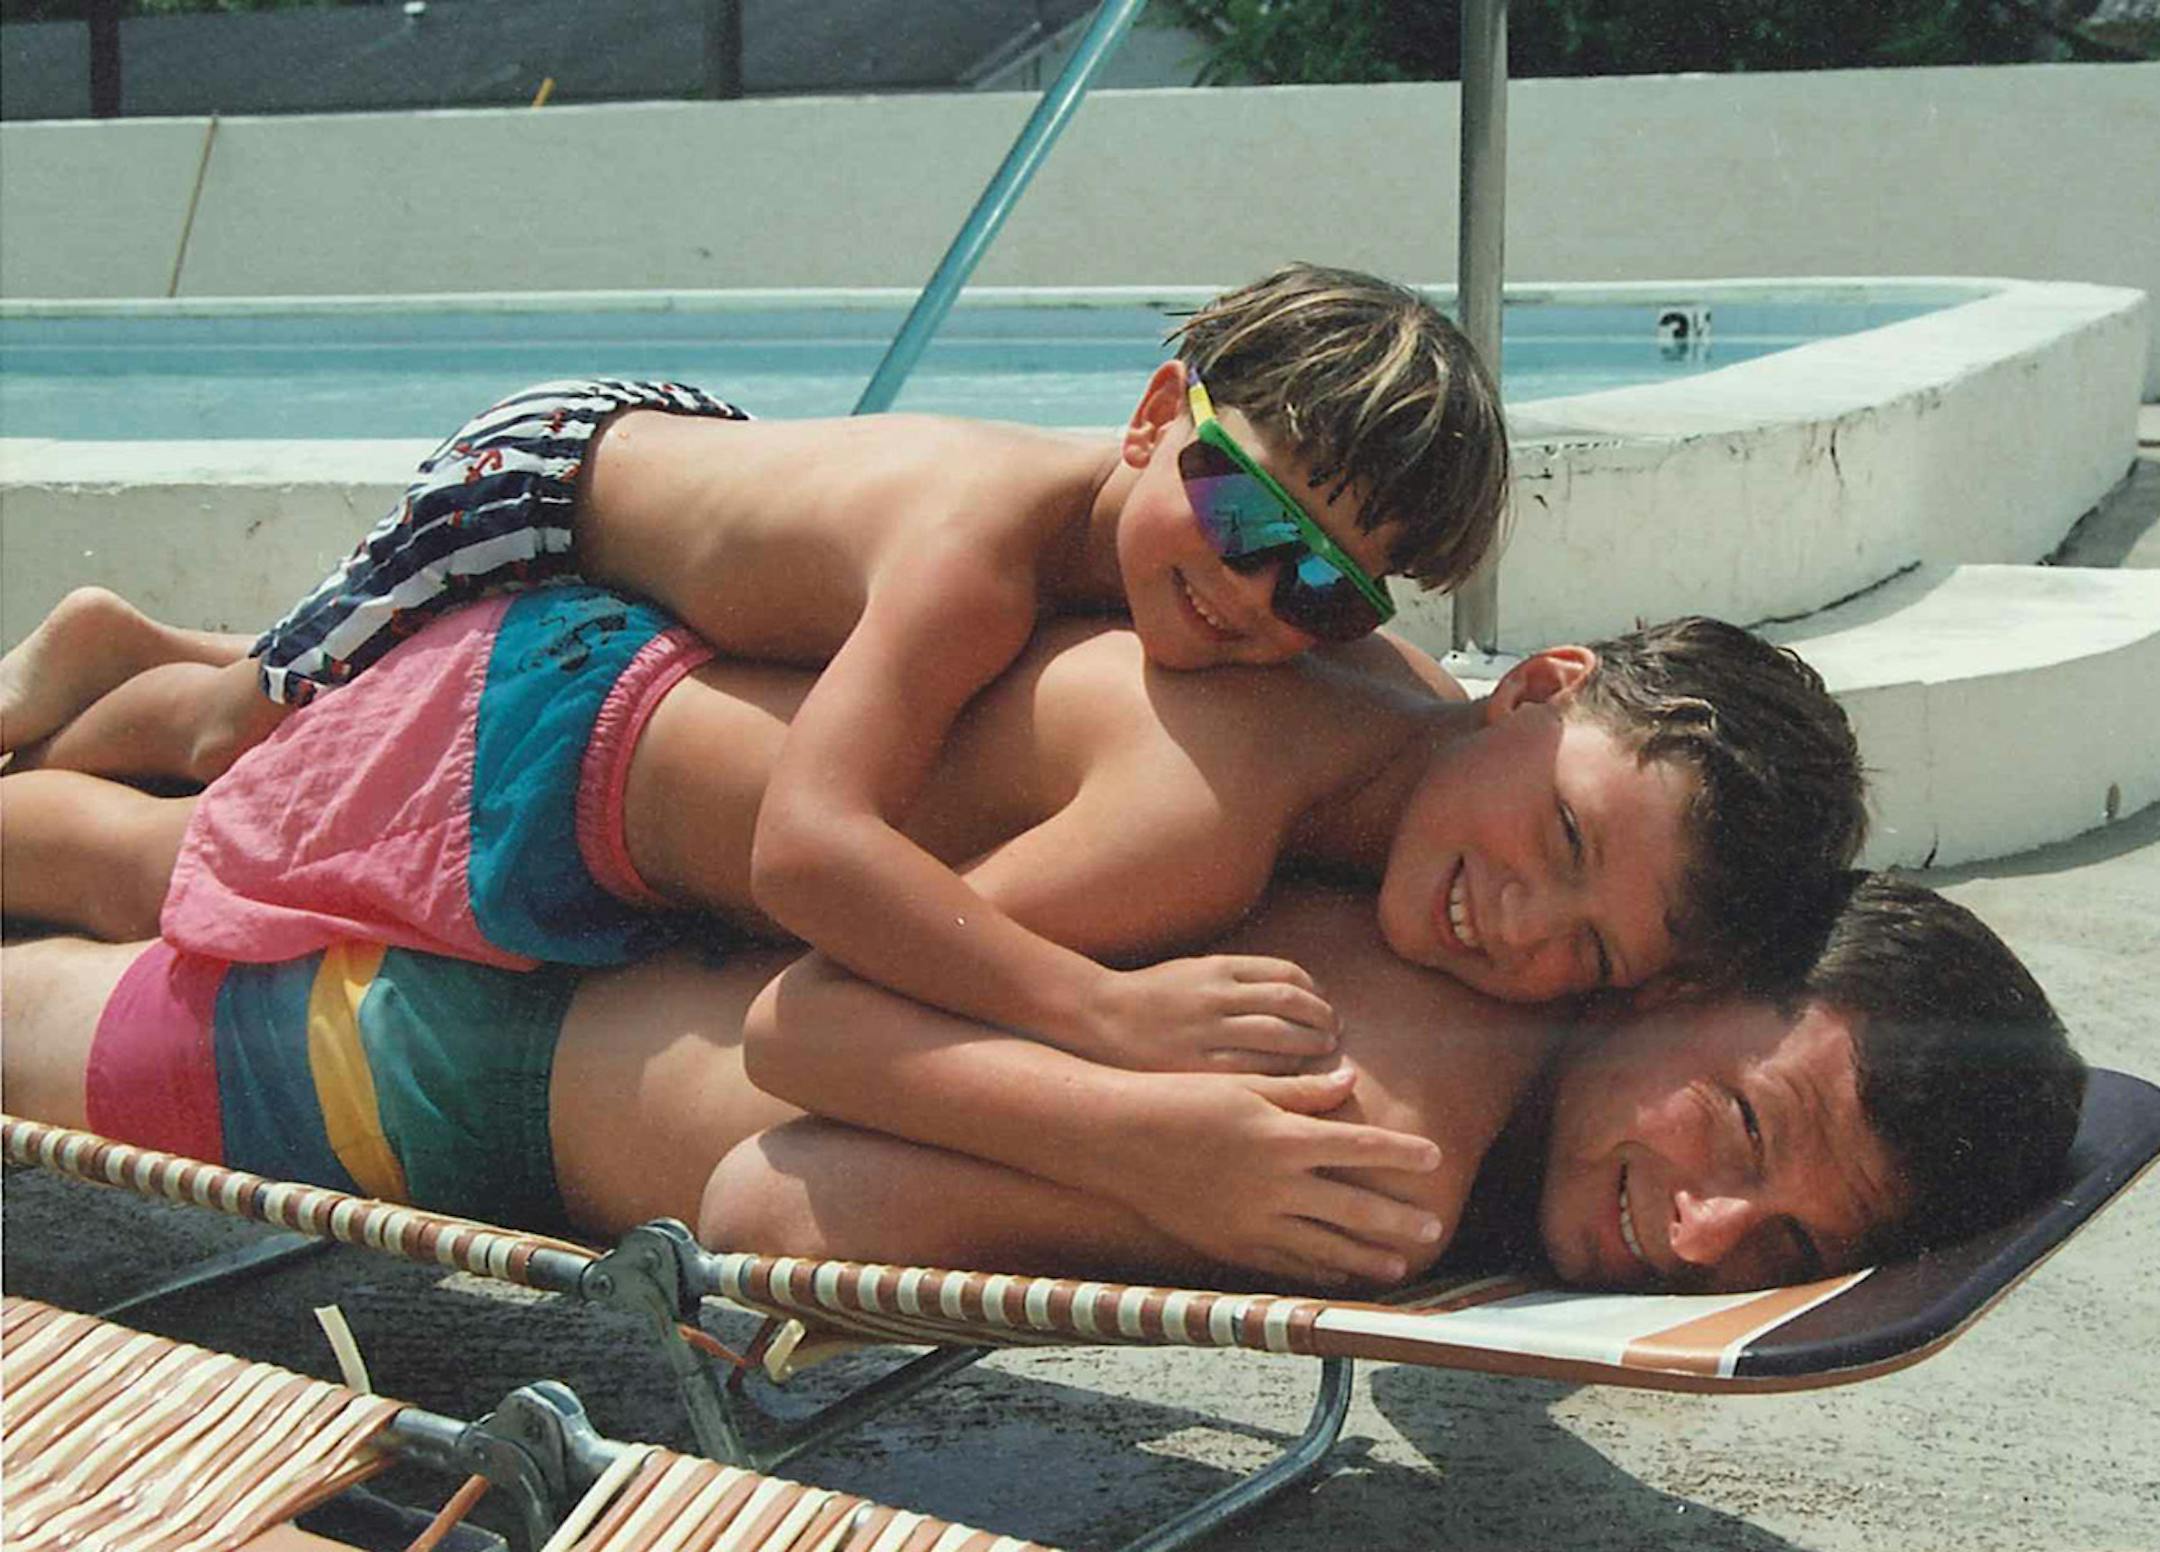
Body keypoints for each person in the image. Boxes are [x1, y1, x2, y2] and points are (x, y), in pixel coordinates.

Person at [0, 265, 1508, 1067]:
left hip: (692, 520)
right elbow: (808, 845)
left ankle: (155, 649)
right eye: (1242, 511)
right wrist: (1098, 1013)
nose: (1254, 595)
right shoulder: (972, 557)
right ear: (1152, 411)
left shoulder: (1211, 569)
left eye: (1319, 583)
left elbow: (1421, 703)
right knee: (236, 735)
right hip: (542, 496)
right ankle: (104, 662)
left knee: (326, 697)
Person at [0, 874, 2087, 1292]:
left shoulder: (1454, 902)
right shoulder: (1377, 1143)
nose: (1705, 1231)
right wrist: (1168, 1166)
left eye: (1786, 1240)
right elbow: (767, 1211)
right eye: (1739, 1131)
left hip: (524, 934)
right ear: (1698, 974)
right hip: (425, 1072)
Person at [1, 604, 1865, 1058]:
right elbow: (832, 973)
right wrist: (1110, 1020)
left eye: (1590, 949)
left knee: (278, 732)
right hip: (565, 785)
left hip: (610, 682)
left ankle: (145, 660)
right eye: (1558, 837)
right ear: (1535, 687)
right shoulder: (1200, 830)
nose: (1515, 927)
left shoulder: (1355, 664)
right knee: (161, 875)